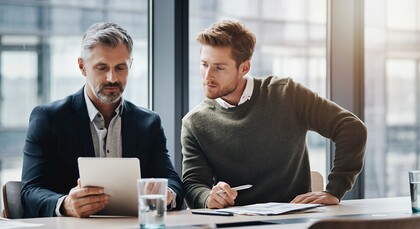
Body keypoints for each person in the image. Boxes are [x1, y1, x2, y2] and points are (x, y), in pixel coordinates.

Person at [181, 20, 367, 209]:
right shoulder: (195, 122)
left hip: (294, 221)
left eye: (219, 67)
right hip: (235, 226)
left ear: (244, 68)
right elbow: (193, 184)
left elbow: (351, 128)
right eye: (204, 64)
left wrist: (335, 190)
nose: (207, 76)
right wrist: (207, 198)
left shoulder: (286, 93)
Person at [21, 22, 184, 218]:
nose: (112, 78)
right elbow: (30, 191)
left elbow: (172, 181)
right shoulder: (49, 119)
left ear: (130, 64)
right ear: (82, 66)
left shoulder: (148, 123)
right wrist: (64, 204)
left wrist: (166, 194)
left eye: (120, 68)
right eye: (102, 67)